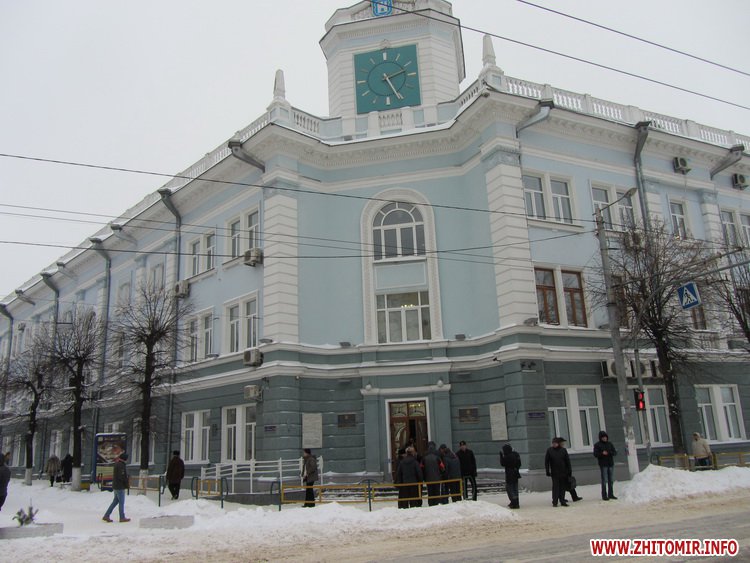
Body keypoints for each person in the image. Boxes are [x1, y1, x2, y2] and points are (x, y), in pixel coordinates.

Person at [102, 452, 130, 523]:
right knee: (121, 502)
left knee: (115, 501)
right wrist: (126, 484)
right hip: (120, 486)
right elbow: (122, 476)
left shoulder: (117, 464)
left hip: (116, 486)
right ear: (125, 459)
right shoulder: (121, 465)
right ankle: (122, 517)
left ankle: (106, 515)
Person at [544, 437, 571, 507]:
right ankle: (555, 501)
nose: (554, 444)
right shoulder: (549, 450)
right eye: (553, 443)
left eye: (555, 443)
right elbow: (547, 461)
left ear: (558, 443)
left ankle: (562, 500)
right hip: (554, 472)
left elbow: (567, 461)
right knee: (555, 487)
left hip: (563, 472)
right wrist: (547, 470)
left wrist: (569, 470)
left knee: (562, 487)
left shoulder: (563, 450)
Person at [593, 430, 617, 500]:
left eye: (605, 437)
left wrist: (609, 453)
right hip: (603, 464)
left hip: (610, 464)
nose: (604, 438)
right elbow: (595, 454)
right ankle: (604, 495)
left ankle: (611, 494)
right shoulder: (597, 445)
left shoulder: (610, 444)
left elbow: (614, 452)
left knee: (611, 480)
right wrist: (602, 453)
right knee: (604, 480)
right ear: (600, 438)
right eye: (603, 437)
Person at [421, 441, 445, 506]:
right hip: (437, 477)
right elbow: (442, 467)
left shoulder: (425, 455)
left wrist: (424, 477)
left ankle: (431, 504)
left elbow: (421, 467)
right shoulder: (438, 454)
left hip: (428, 478)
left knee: (430, 492)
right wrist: (441, 474)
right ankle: (437, 503)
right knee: (437, 492)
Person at [499, 443, 521, 509]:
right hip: (516, 474)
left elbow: (502, 463)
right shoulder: (515, 455)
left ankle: (514, 503)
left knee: (510, 489)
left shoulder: (507, 456)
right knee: (515, 489)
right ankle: (516, 502)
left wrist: (501, 456)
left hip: (509, 475)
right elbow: (519, 464)